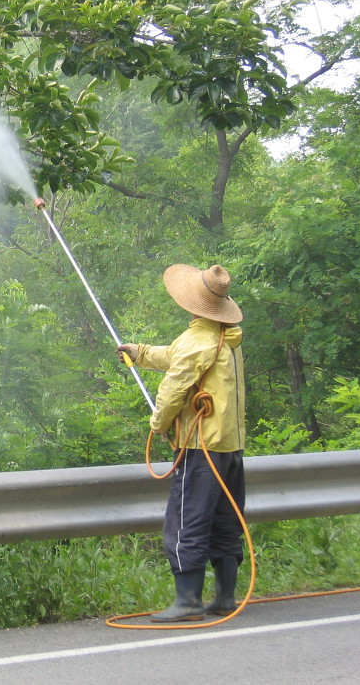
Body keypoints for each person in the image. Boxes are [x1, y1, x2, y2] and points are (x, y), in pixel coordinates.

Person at [117, 264, 247, 623]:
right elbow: (177, 357)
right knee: (225, 520)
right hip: (231, 448)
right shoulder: (226, 338)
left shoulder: (196, 341)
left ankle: (188, 601)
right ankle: (225, 597)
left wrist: (159, 424)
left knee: (186, 520)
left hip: (201, 448)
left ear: (192, 304)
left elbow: (174, 388)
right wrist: (140, 352)